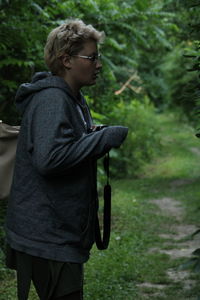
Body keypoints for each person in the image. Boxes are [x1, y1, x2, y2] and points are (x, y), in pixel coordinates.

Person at [5, 19, 128, 300]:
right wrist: (105, 138)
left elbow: (64, 143)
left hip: (56, 232)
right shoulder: (52, 99)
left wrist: (93, 134)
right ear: (66, 60)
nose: (99, 65)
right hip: (46, 235)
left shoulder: (72, 98)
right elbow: (50, 159)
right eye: (92, 57)